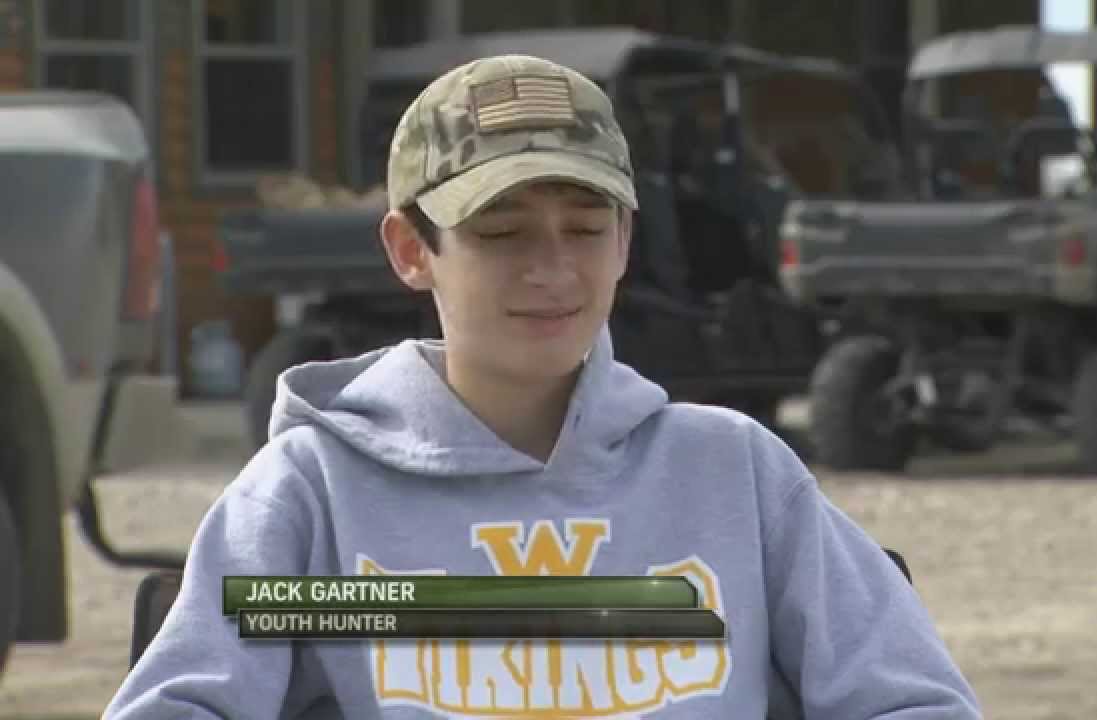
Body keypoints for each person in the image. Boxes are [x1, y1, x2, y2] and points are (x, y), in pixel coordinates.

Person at [105, 54, 982, 719]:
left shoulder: (739, 479)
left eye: (586, 227)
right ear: (411, 250)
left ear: (626, 243)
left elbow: (913, 700)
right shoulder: (310, 493)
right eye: (502, 232)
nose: (552, 270)